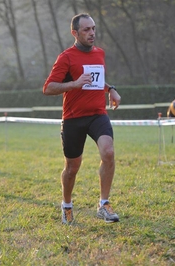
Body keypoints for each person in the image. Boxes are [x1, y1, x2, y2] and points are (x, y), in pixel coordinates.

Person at [43, 13, 121, 224]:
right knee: (72, 168)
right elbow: (48, 88)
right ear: (74, 33)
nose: (92, 33)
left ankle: (104, 204)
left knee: (109, 151)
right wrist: (74, 84)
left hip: (97, 114)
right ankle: (67, 206)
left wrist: (110, 89)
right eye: (86, 29)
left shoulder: (100, 54)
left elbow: (97, 81)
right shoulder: (66, 57)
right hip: (73, 118)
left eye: (93, 28)